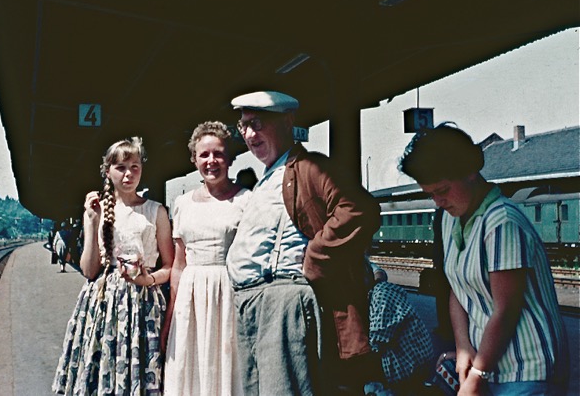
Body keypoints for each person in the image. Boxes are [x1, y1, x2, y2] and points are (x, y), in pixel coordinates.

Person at [226, 90, 382, 395]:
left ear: (287, 122)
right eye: (243, 125)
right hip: (251, 304)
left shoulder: (308, 166)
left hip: (280, 303)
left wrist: (314, 259)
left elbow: (358, 210)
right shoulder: (268, 176)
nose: (249, 133)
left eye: (258, 123)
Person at [398, 122, 569, 395]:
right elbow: (458, 290)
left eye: (442, 190)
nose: (438, 202)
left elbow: (506, 309)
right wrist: (464, 348)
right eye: (430, 194)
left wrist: (477, 373)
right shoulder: (449, 220)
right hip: (487, 362)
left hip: (528, 368)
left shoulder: (502, 222)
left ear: (470, 172)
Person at [52, 136, 174, 395]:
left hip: (145, 303)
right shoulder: (98, 211)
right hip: (103, 301)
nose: (129, 174)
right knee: (104, 374)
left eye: (135, 167)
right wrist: (91, 221)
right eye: (121, 167)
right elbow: (89, 271)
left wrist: (147, 280)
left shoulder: (156, 211)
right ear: (108, 172)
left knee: (141, 374)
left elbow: (170, 267)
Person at [163, 121, 250, 395]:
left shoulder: (246, 200)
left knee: (225, 367)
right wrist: (169, 315)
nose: (211, 161)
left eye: (219, 154)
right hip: (190, 297)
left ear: (230, 158)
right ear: (193, 159)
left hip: (228, 293)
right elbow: (179, 265)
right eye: (204, 155)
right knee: (189, 369)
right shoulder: (182, 204)